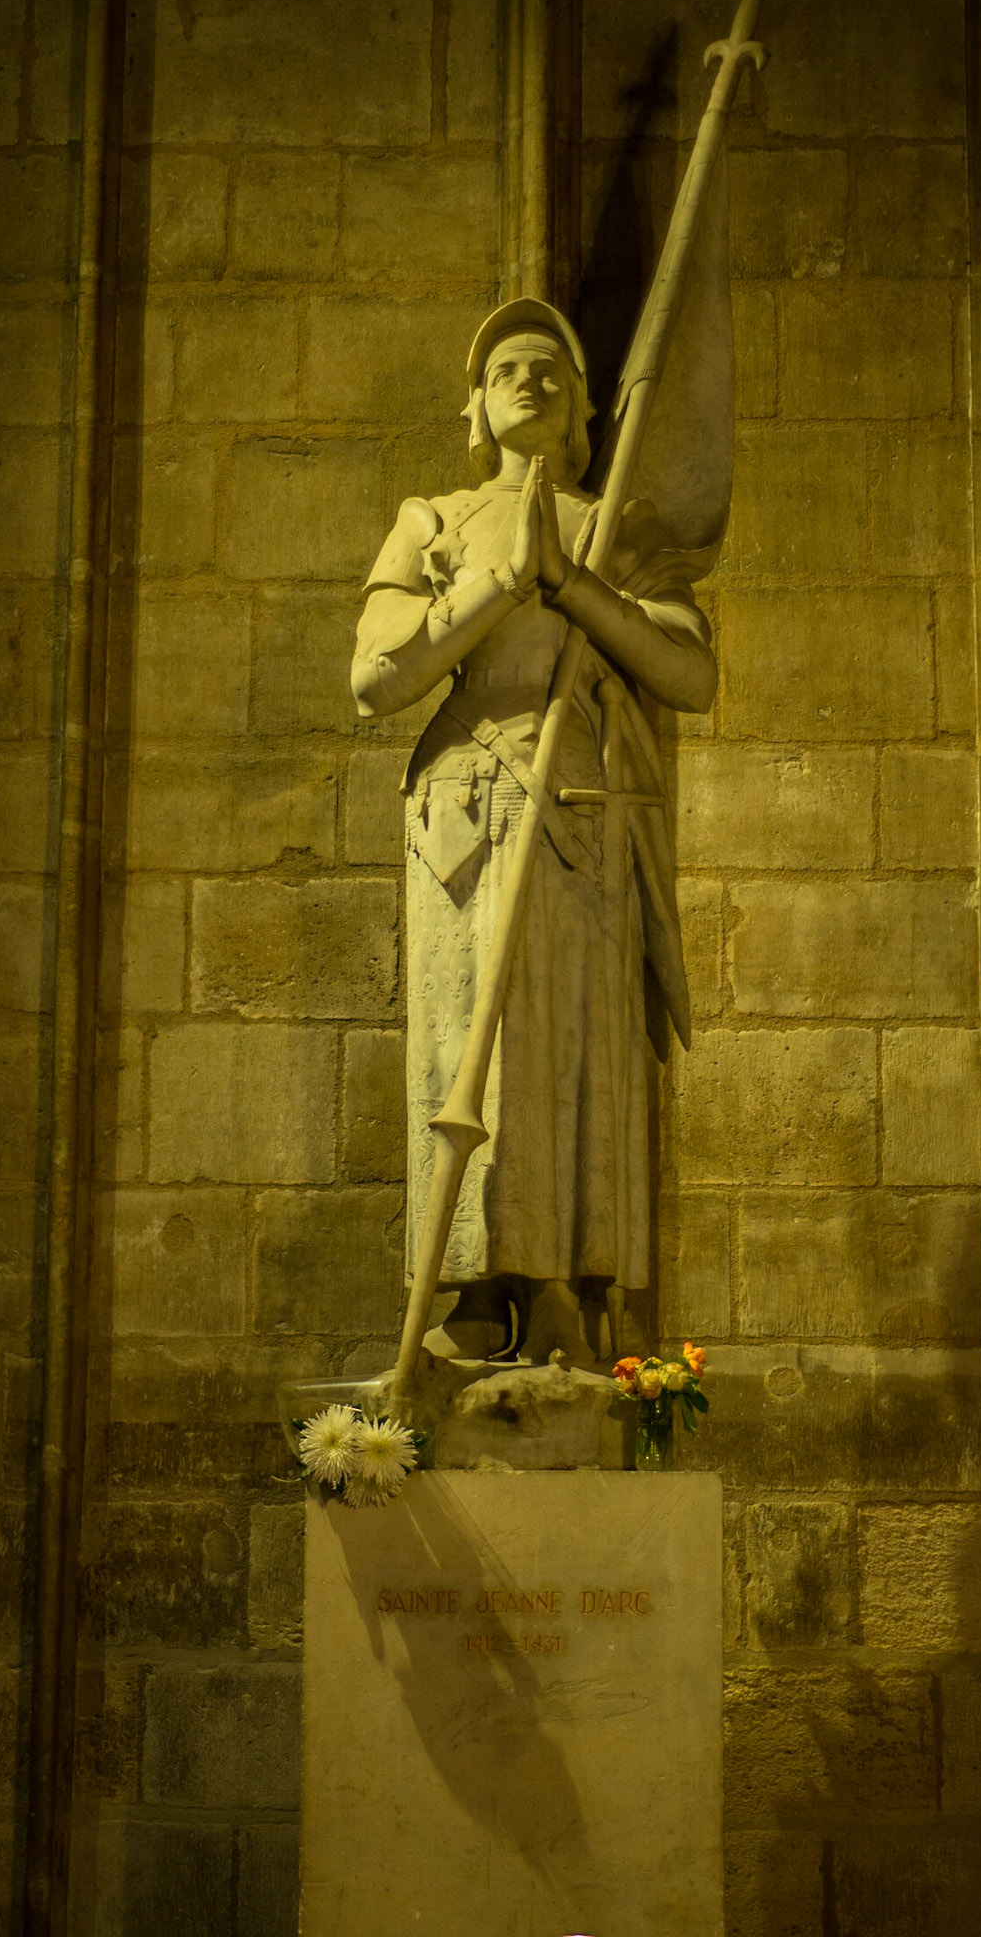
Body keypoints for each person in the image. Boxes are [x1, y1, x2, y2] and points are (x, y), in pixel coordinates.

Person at [351, 298, 715, 1365]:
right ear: (475, 403)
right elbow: (377, 674)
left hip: (579, 804)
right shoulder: (434, 518)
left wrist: (570, 583)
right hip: (466, 800)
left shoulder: (613, 528)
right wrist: (500, 582)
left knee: (569, 1040)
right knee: (467, 1037)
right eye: (507, 366)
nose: (530, 380)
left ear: (586, 406)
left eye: (553, 368)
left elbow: (686, 670)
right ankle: (465, 1287)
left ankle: (561, 1282)